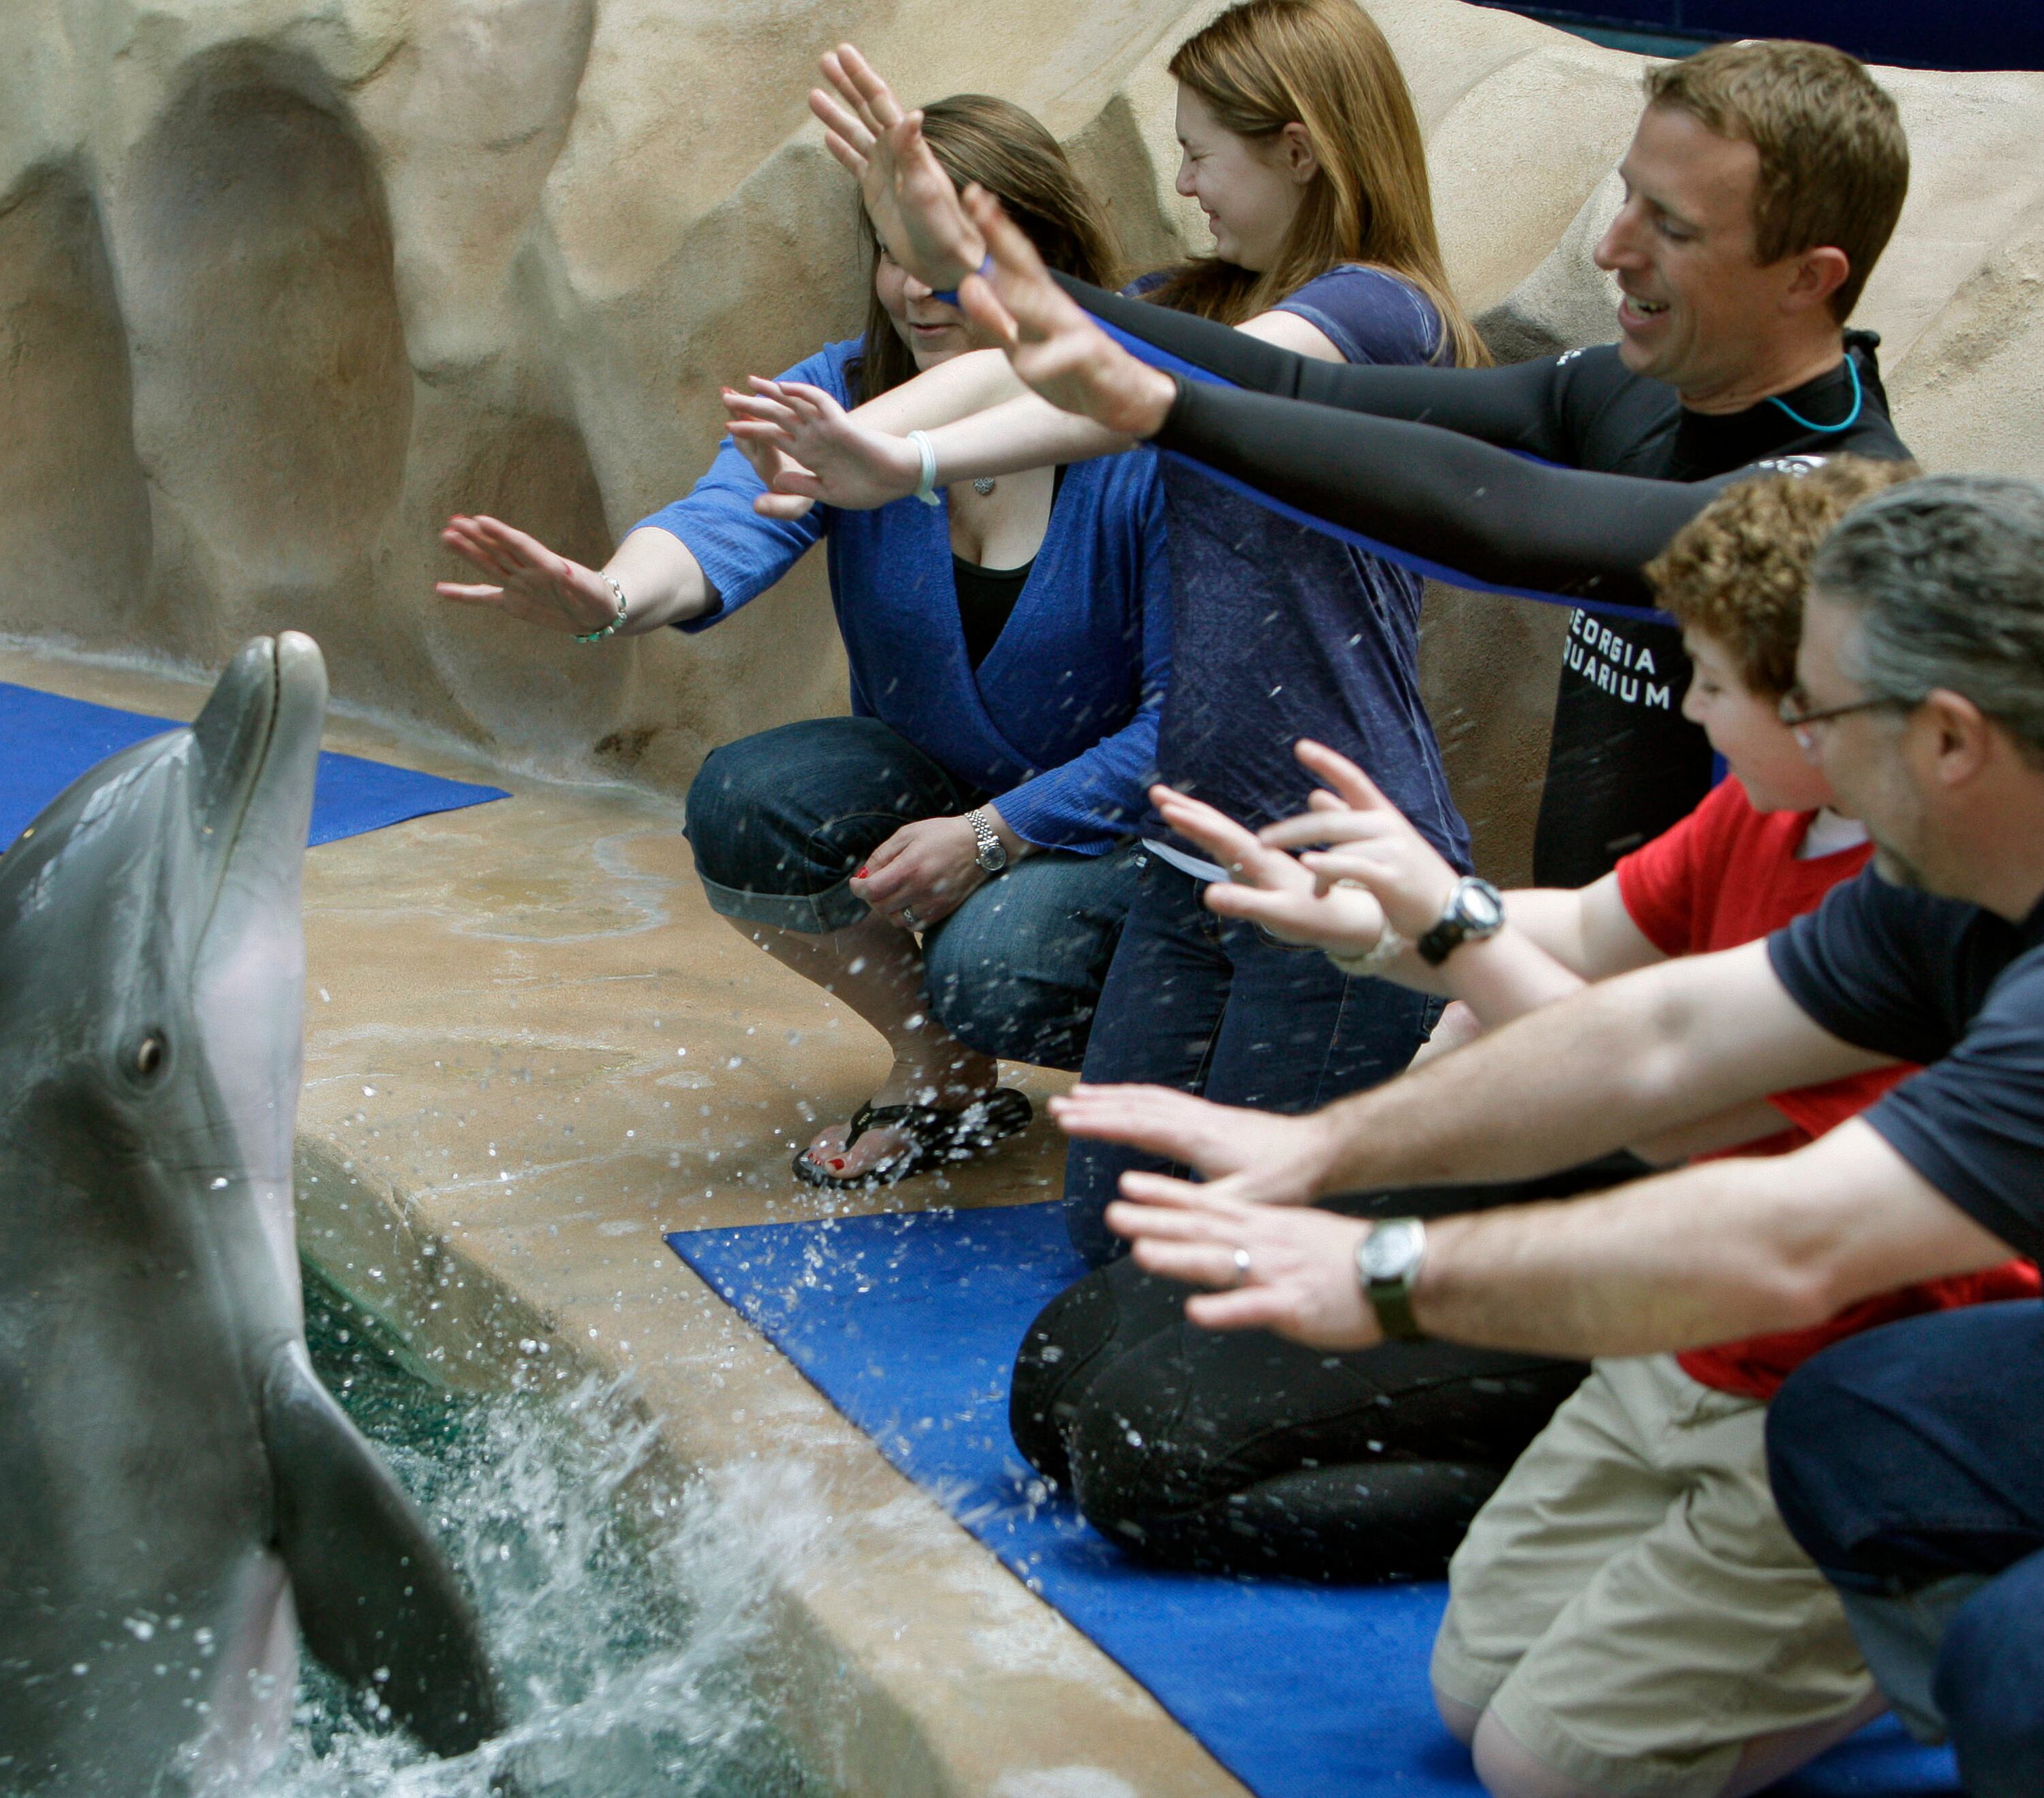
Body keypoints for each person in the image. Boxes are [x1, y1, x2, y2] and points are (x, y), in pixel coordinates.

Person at [1069, 474, 2044, 1797]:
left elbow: (1785, 1224)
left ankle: (1893, 1638)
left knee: (1992, 1672)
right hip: (1728, 1356)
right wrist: (1322, 1144)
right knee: (1478, 1686)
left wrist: (1388, 1273)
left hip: (1857, 1328)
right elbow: (1660, 1035)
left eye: (1811, 702)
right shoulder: (1931, 890)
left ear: (1947, 741)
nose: (1758, 721)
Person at [781, 36, 1912, 886]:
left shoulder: (1831, 511)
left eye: (1668, 224)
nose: (1613, 249)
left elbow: (1502, 523)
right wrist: (982, 264)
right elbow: (1300, 392)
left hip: (1748, 1022)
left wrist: (1158, 412)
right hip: (1609, 952)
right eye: (1625, 201)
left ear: (1809, 276)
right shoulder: (1624, 390)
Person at [731, 0, 1485, 1258]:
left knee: (1242, 1248)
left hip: (1337, 862)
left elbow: (1143, 395)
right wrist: (894, 424)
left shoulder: (1379, 317)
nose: (1181, 184)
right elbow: (1038, 358)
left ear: (1299, 149)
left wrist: (908, 456)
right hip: (1201, 864)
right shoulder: (1210, 300)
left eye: (1201, 153)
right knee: (1112, 1232)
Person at [437, 96, 1166, 1188]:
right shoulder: (845, 397)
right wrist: (611, 595)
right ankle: (942, 1072)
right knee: (746, 803)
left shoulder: (1134, 426)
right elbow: (721, 519)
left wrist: (997, 835)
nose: (917, 286)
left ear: (1042, 257)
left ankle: (1186, 1087)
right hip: (949, 787)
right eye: (893, 252)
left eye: (949, 254)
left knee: (996, 965)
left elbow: (1192, 723)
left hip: (1124, 826)